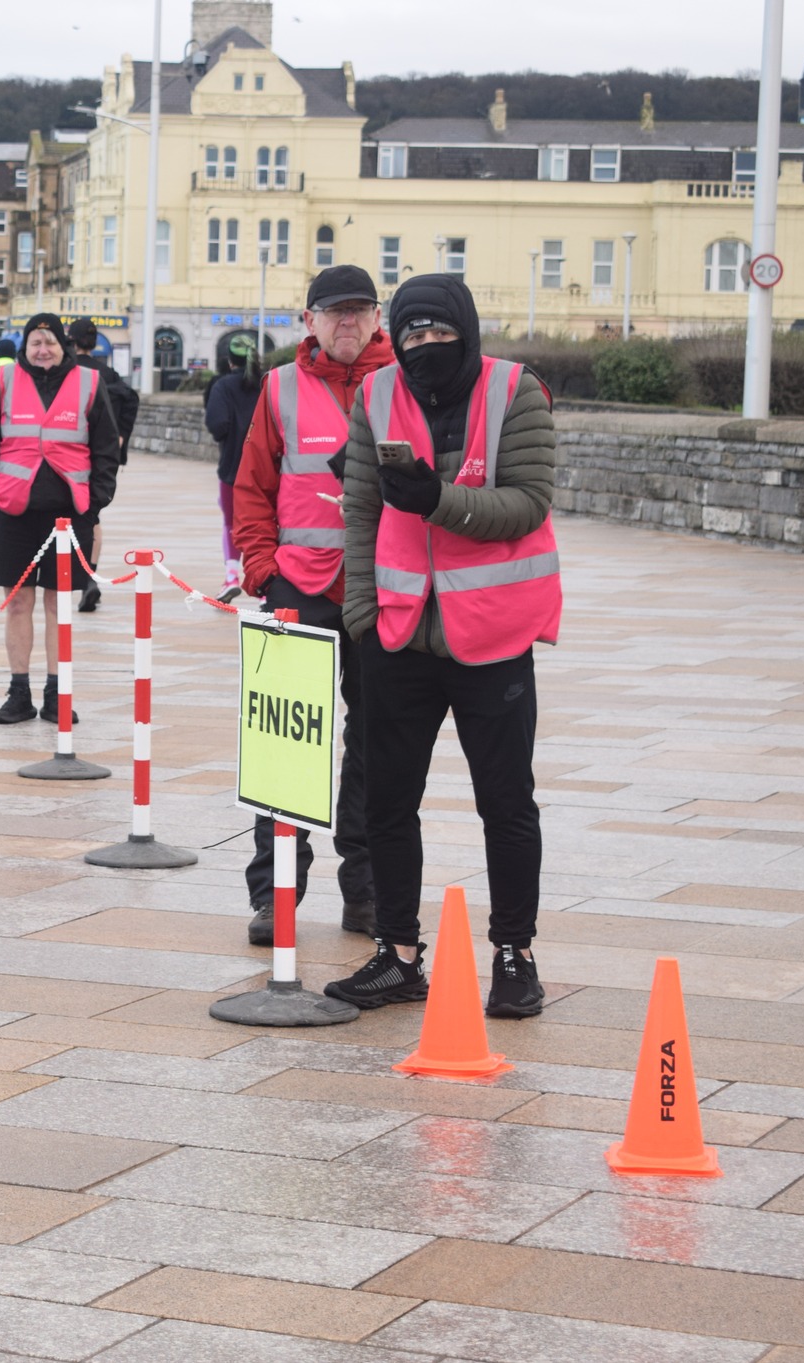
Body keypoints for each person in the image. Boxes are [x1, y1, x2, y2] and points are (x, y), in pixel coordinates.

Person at [324, 273, 560, 1020]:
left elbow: (529, 502)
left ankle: (515, 954)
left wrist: (438, 500)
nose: (427, 346)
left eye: (440, 332)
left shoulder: (516, 391)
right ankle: (398, 954)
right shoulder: (377, 394)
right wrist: (361, 612)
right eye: (413, 332)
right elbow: (359, 507)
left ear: (467, 328)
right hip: (398, 632)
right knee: (387, 803)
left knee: (506, 802)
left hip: (491, 635)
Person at [230, 266, 396, 949]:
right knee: (284, 742)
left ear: (378, 317)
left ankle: (367, 892)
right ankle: (278, 895)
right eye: (334, 313)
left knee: (378, 745)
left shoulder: (405, 384)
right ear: (310, 321)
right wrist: (263, 568)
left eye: (358, 312)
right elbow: (252, 487)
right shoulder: (280, 388)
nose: (347, 323)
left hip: (384, 587)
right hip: (297, 584)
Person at [0, 312, 120, 725]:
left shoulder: (89, 383)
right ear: (25, 346)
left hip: (69, 515)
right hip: (12, 512)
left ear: (63, 345)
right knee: (17, 602)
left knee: (59, 604)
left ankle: (57, 693)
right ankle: (19, 693)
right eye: (35, 342)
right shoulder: (6, 381)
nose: (42, 349)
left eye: (49, 341)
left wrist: (95, 501)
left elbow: (107, 448)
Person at [66, 318, 138, 613]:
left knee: (62, 517)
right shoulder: (109, 374)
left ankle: (74, 575)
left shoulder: (68, 372)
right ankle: (89, 575)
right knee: (92, 517)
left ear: (70, 341)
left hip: (71, 455)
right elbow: (131, 400)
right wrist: (120, 437)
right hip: (102, 456)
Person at [201, 334, 261, 601]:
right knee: (269, 525)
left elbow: (217, 425)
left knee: (232, 524)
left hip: (233, 468)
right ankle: (265, 587)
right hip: (268, 469)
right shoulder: (268, 383)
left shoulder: (223, 386)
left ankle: (231, 577)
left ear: (229, 360)